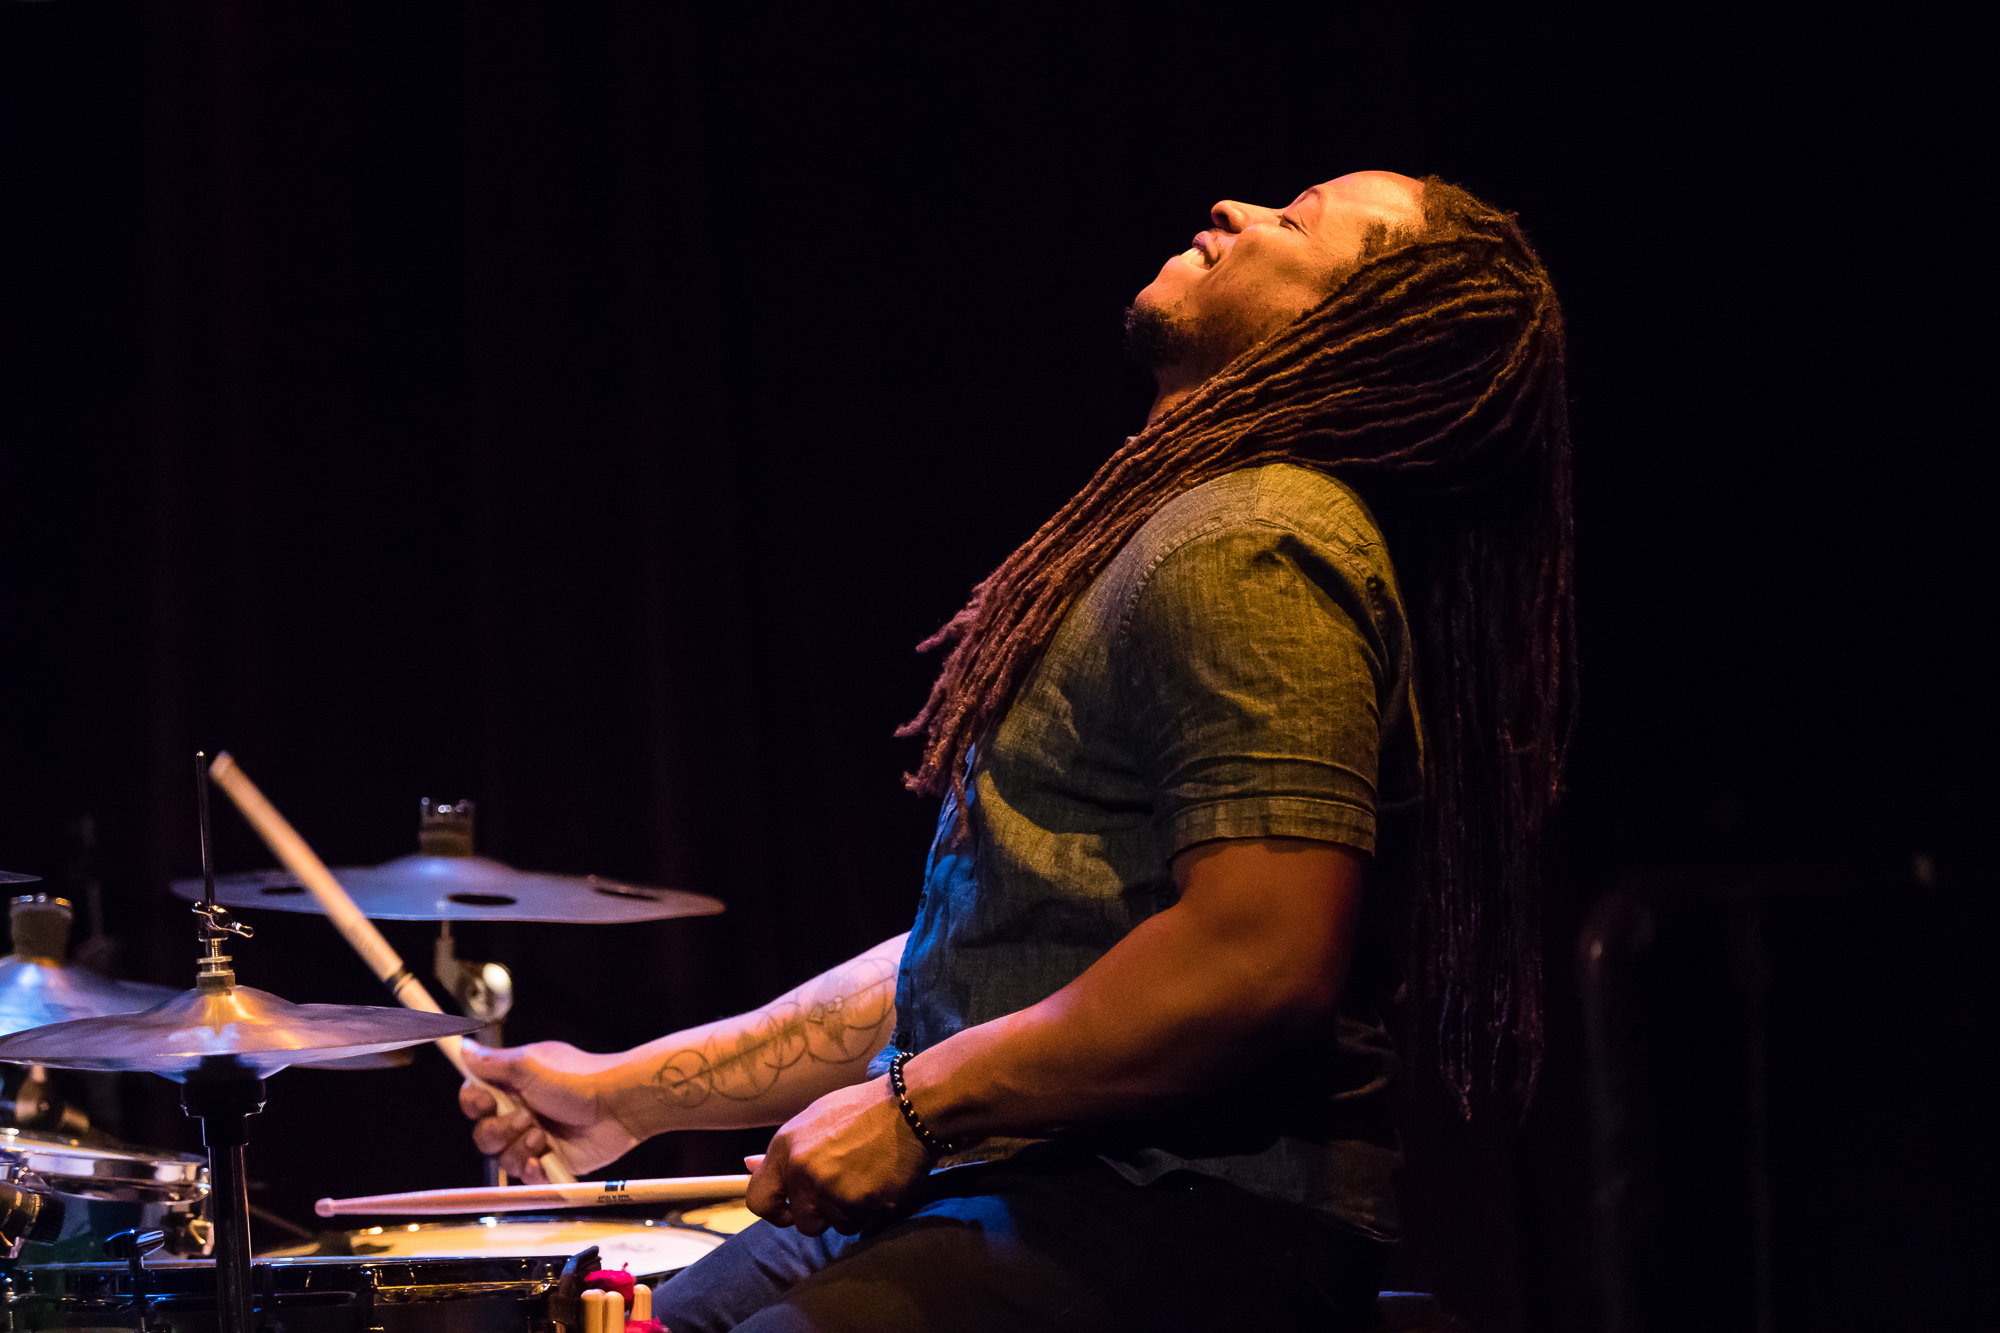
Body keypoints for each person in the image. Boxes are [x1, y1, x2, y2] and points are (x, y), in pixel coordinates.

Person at [460, 170, 1575, 1332]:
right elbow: (998, 958)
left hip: (1173, 1218)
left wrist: (912, 1106)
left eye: (1293, 222)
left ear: (1349, 333)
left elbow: (1256, 955)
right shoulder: (1186, 529)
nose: (1238, 209)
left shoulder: (1255, 538)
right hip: (1013, 1188)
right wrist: (621, 1093)